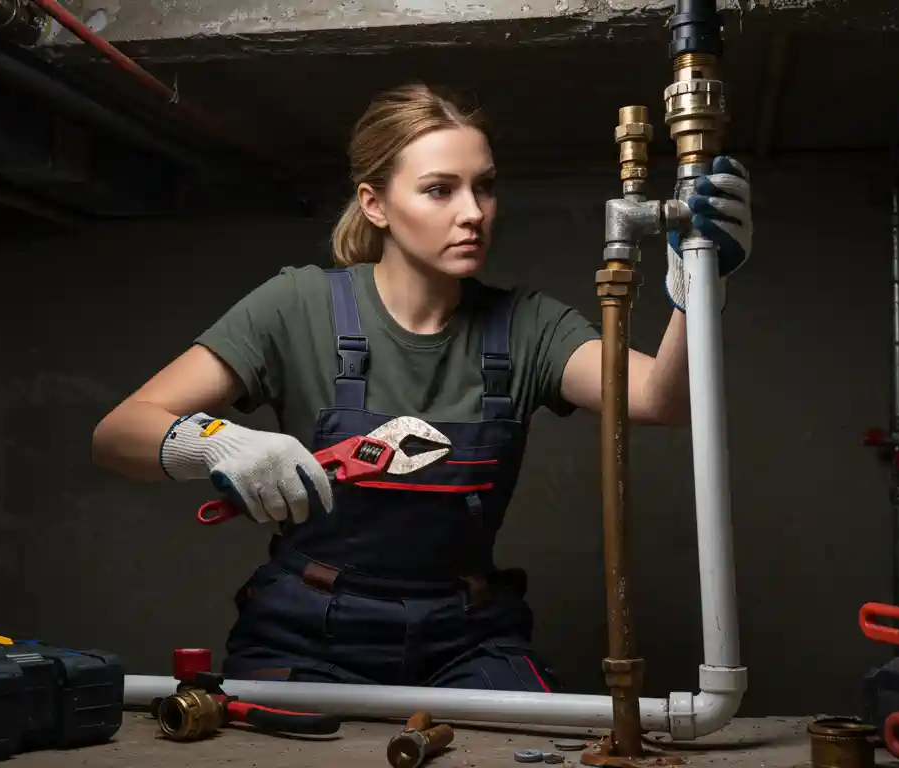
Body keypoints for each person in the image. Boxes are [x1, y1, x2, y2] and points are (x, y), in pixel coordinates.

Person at [91, 83, 752, 692]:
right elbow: (117, 434)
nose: (474, 213)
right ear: (374, 204)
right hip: (305, 630)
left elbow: (662, 400)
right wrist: (215, 442)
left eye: (484, 187)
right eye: (440, 190)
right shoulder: (295, 306)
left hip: (467, 635)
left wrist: (700, 284)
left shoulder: (527, 325)